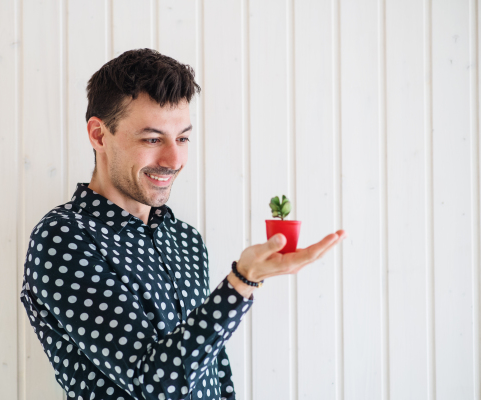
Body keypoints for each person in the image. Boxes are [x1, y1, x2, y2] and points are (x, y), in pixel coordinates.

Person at [20, 48, 347, 400]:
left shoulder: (185, 239)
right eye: (152, 139)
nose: (174, 159)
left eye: (183, 138)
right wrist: (241, 283)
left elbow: (212, 365)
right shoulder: (63, 237)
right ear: (99, 135)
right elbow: (154, 384)